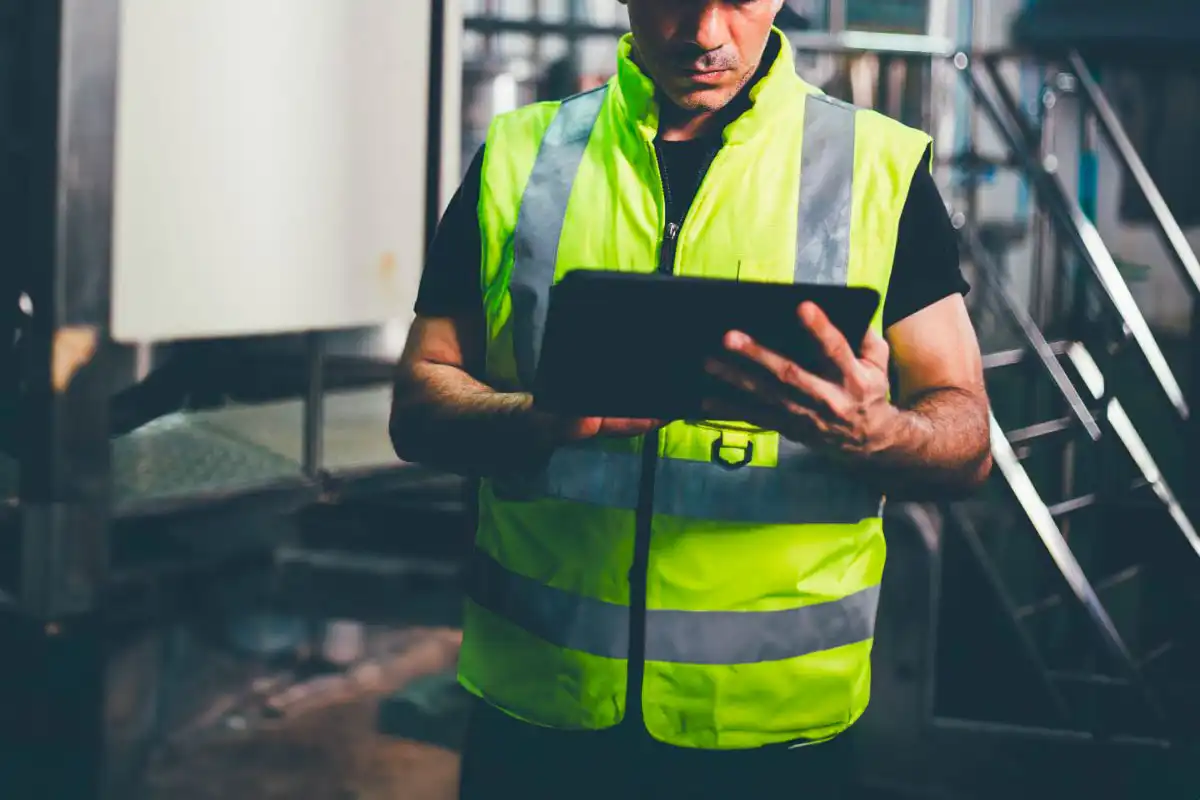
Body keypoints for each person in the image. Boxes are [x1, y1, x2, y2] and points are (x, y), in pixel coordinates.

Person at [391, 1, 992, 797]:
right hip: (540, 715)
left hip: (773, 735)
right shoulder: (519, 154)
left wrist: (876, 434)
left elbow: (969, 437)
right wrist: (530, 422)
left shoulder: (879, 167)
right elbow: (417, 402)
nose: (706, 33)